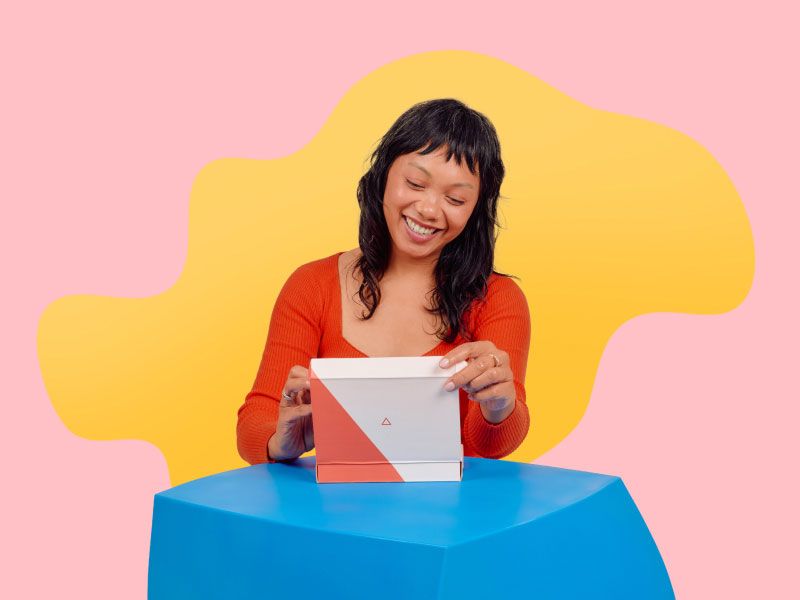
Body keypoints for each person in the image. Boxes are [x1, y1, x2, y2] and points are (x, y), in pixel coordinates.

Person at [237, 98, 531, 464]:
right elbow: (256, 421)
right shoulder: (311, 285)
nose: (427, 209)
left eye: (455, 198)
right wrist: (281, 440)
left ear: (475, 210)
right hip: (337, 514)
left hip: (456, 515)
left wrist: (500, 406)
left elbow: (493, 445)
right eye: (415, 183)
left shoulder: (498, 299)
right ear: (383, 176)